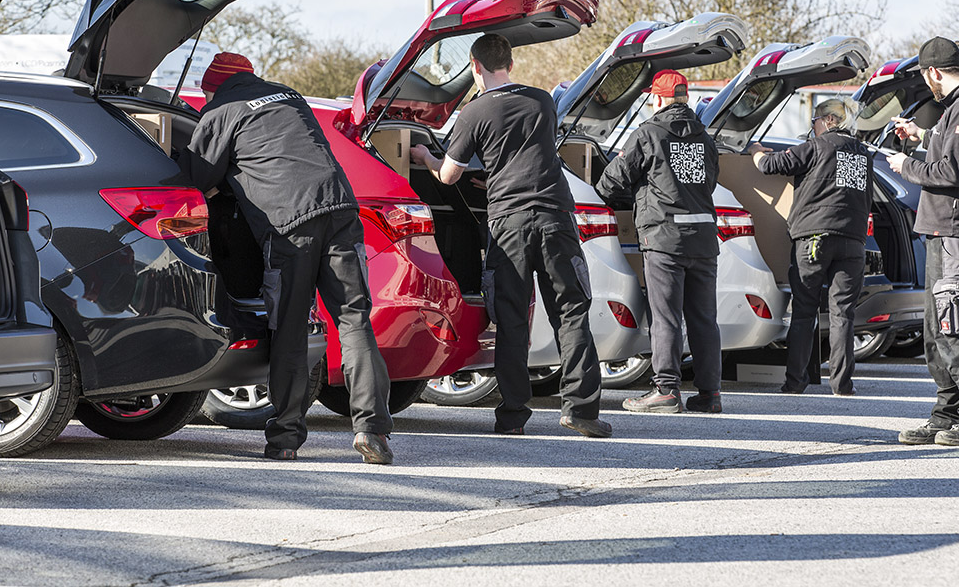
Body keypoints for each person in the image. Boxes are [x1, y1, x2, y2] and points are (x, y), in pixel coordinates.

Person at [180, 52, 395, 464]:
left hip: (289, 225)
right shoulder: (289, 96)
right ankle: (373, 432)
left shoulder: (221, 110)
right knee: (354, 321)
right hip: (341, 210)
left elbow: (195, 177)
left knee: (290, 327)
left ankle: (285, 439)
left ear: (212, 87)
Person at [409, 33, 612, 439]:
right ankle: (581, 411)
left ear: (474, 66)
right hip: (555, 217)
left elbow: (448, 175)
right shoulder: (541, 100)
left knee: (513, 320)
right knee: (571, 313)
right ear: (511, 64)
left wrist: (423, 156)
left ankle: (514, 416)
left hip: (509, 226)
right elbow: (530, 153)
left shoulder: (473, 112)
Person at [887, 36, 959, 446]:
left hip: (955, 233)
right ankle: (946, 414)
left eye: (924, 76)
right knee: (936, 330)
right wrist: (920, 135)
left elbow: (951, 172)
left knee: (956, 324)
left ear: (933, 72)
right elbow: (949, 150)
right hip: (941, 231)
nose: (926, 83)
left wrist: (906, 165)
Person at [595, 70, 723, 414]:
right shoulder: (705, 138)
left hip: (665, 238)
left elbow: (608, 184)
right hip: (704, 238)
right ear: (685, 98)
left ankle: (666, 390)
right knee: (703, 319)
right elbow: (709, 184)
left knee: (666, 318)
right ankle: (710, 394)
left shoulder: (648, 133)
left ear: (657, 99)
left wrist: (638, 195)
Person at [749, 98, 873, 396]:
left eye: (814, 121)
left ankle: (795, 382)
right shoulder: (863, 154)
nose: (812, 128)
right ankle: (842, 385)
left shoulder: (818, 146)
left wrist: (755, 153)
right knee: (843, 312)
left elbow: (772, 165)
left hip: (815, 239)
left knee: (805, 311)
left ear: (830, 120)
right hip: (853, 241)